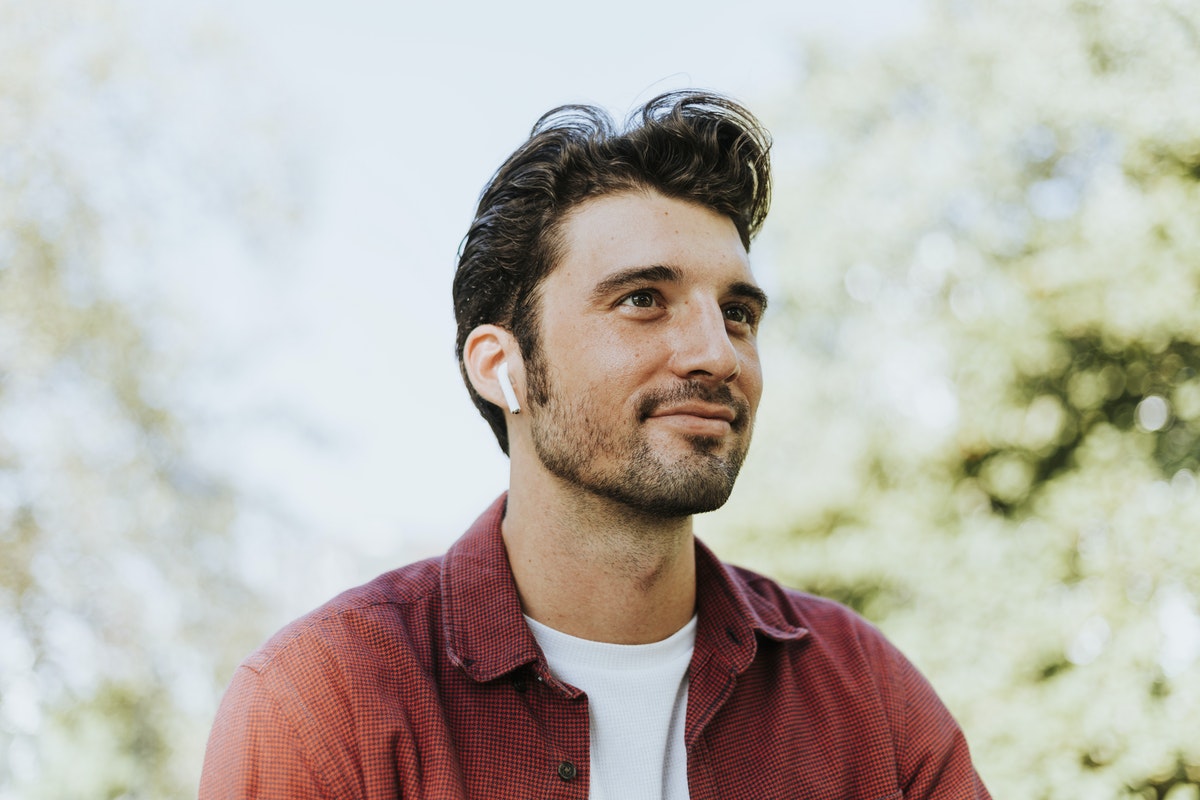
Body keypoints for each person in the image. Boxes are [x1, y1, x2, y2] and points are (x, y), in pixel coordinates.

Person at [200, 91, 991, 799]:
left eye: (738, 312)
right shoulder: (327, 701)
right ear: (500, 366)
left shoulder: (860, 693)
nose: (718, 353)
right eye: (644, 299)